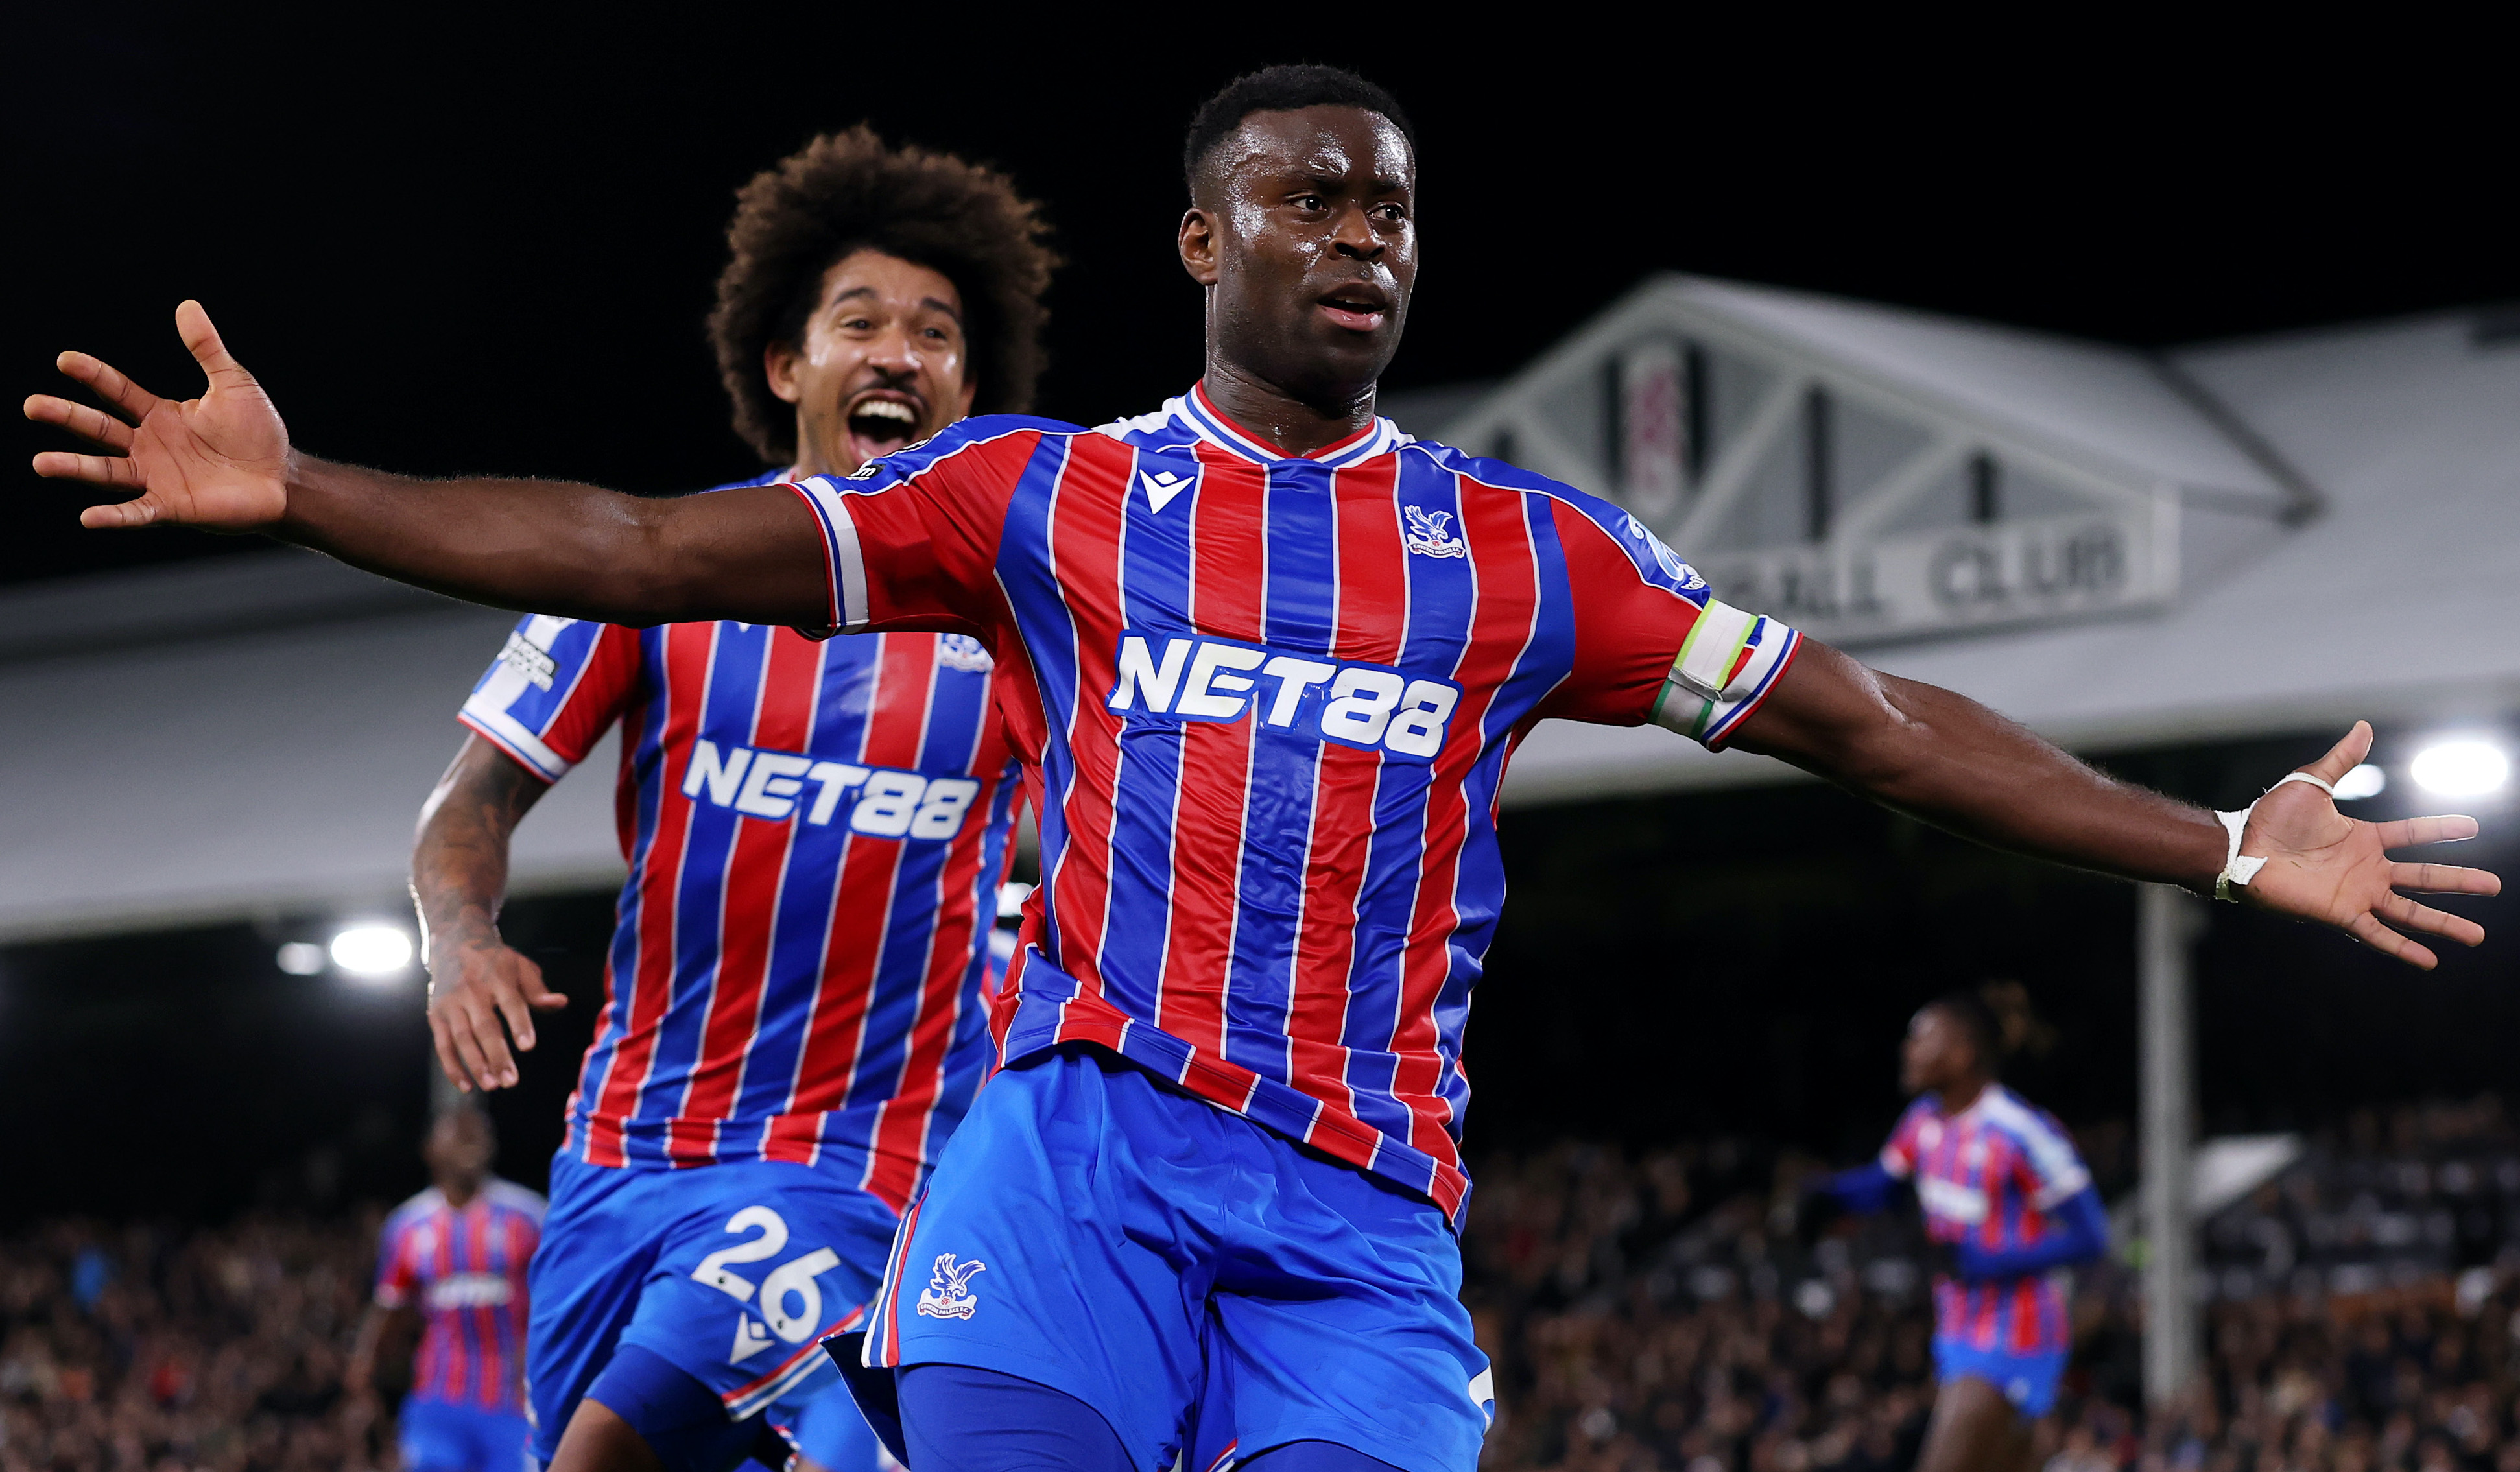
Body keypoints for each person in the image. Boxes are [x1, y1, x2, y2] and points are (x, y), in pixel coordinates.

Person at [27, 63, 2499, 1472]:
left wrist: (2213, 842)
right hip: (1069, 1166)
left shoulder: (1526, 557)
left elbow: (1873, 725)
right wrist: (312, 488)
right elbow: (643, 546)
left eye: (1390, 210)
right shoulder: (1047, 505)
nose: (1358, 236)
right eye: (1304, 199)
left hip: (1356, 1222)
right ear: (1201, 242)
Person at [405, 128, 1051, 1472]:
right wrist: (459, 937)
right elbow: (473, 798)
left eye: (934, 334)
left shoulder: (1017, 626)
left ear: (969, 389)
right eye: (859, 322)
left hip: (860, 1169)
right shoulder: (666, 577)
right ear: (784, 364)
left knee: (614, 1454)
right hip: (622, 1162)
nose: (898, 353)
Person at [1814, 993, 2110, 1472]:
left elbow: (2091, 1236)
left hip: (2016, 1337)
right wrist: (1823, 1196)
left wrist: (1988, 1261)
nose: (1908, 1050)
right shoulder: (1923, 1122)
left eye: (1921, 1039)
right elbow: (1884, 1185)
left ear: (1962, 1053)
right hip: (1956, 1331)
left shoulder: (2021, 1131)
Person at [348, 1108, 547, 1472]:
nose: (469, 1142)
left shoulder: (528, 1216)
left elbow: (557, 1302)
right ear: (430, 1149)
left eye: (478, 1135)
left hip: (512, 1403)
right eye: (457, 1135)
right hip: (437, 1401)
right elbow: (390, 1309)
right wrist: (364, 1368)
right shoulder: (407, 1226)